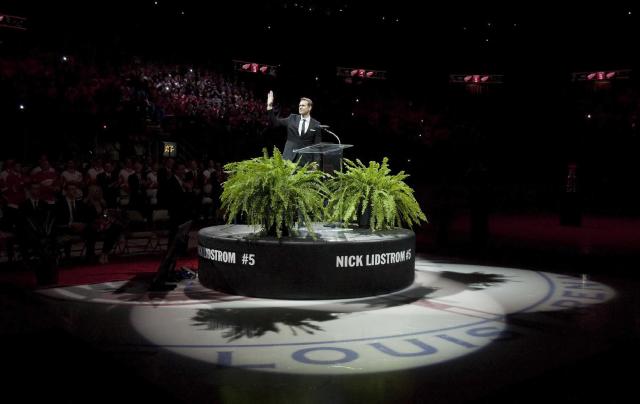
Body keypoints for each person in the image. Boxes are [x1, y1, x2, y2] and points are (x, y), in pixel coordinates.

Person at [267, 90, 322, 164]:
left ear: (309, 108)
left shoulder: (316, 124)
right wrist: (270, 106)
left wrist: (316, 163)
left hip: (305, 162)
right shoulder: (292, 118)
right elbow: (276, 123)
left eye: (303, 105)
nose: (300, 107)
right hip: (289, 159)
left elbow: (317, 147)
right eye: (299, 105)